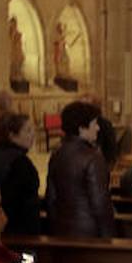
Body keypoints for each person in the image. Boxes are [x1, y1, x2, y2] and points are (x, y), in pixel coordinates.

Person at [46, 100, 116, 238]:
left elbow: (51, 198)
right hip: (89, 232)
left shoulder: (57, 154)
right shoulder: (92, 157)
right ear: (81, 128)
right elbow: (100, 203)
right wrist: (109, 236)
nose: (98, 128)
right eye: (94, 123)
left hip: (62, 231)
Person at [0, 111, 42, 236]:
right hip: (19, 233)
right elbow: (24, 203)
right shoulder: (20, 163)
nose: (33, 134)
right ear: (12, 135)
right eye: (28, 130)